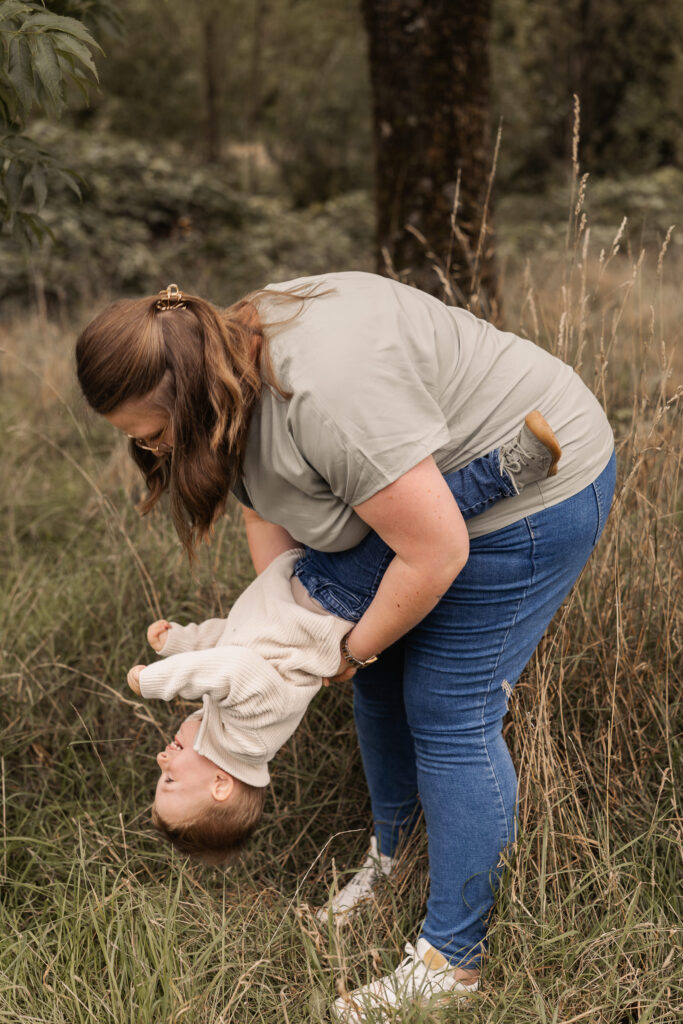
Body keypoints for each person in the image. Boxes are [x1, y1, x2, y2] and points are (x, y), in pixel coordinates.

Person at [75, 272, 615, 1021]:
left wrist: (345, 649)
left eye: (153, 433)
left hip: (528, 493)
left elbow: (433, 550)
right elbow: (262, 499)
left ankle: (451, 964)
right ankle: (394, 861)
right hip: (415, 513)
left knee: (446, 710)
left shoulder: (325, 394)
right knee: (377, 682)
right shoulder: (224, 365)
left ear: (187, 397)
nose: (148, 450)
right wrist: (298, 615)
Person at [125, 419, 561, 865]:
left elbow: (235, 640)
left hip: (318, 586)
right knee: (418, 524)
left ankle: (457, 445)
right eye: (170, 781)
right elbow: (237, 669)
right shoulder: (245, 741)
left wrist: (180, 642)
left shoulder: (223, 724)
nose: (162, 760)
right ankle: (510, 469)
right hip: (337, 596)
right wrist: (161, 680)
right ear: (220, 786)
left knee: (396, 510)